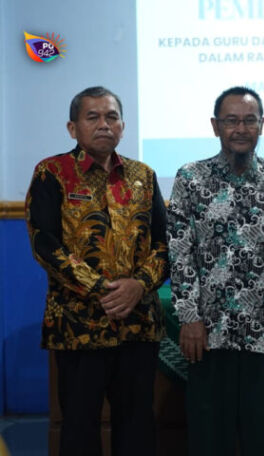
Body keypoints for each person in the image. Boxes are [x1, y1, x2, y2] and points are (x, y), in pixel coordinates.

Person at [26, 86, 168, 455]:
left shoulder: (143, 175)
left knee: (137, 426)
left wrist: (139, 285)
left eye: (111, 117)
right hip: (78, 327)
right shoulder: (52, 173)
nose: (104, 124)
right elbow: (45, 244)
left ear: (123, 126)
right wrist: (103, 289)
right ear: (72, 128)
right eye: (93, 117)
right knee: (79, 428)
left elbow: (164, 245)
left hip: (138, 325)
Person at [167, 86, 264, 455]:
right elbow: (180, 253)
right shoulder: (191, 178)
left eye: (249, 120)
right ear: (216, 126)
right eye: (231, 121)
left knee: (262, 436)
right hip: (208, 333)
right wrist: (189, 317)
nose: (241, 129)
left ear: (262, 125)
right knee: (209, 436)